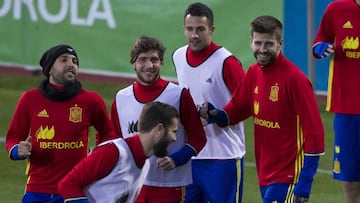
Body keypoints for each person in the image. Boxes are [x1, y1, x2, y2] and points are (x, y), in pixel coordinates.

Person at [203, 15, 325, 203]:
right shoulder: (253, 72)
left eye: (268, 44)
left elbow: (315, 134)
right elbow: (238, 108)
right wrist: (216, 115)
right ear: (250, 41)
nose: (262, 49)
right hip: (265, 173)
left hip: (289, 177)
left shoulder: (296, 80)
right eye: (258, 43)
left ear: (280, 43)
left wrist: (305, 181)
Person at [5, 44, 117, 203]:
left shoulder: (91, 100)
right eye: (64, 60)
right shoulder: (29, 99)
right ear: (49, 69)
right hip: (37, 190)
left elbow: (108, 132)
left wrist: (99, 155)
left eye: (75, 61)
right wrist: (17, 150)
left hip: (76, 190)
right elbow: (13, 137)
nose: (71, 64)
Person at [111, 35, 206, 203]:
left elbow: (199, 138)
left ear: (161, 62)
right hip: (133, 185)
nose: (149, 66)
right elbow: (115, 141)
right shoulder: (121, 98)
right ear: (133, 63)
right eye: (143, 60)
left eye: (154, 60)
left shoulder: (179, 95)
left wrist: (176, 159)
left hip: (170, 186)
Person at [172, 2, 246, 203]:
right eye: (190, 29)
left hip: (224, 157)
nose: (194, 35)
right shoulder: (178, 56)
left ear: (211, 30)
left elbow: (247, 104)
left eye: (200, 29)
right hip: (191, 154)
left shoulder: (226, 62)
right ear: (184, 29)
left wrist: (217, 116)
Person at [58, 101, 179, 203]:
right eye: (173, 131)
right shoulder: (112, 152)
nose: (175, 139)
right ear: (159, 129)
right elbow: (68, 184)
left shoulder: (145, 165)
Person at [312, 0, 360, 202]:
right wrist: (321, 48)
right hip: (347, 107)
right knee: (349, 178)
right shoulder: (336, 9)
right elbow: (318, 43)